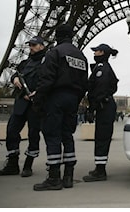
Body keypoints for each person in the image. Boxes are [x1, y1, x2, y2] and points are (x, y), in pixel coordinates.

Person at [32, 24, 88, 191]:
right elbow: (84, 83)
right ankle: (68, 175)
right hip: (72, 98)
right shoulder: (81, 56)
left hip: (55, 97)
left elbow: (46, 79)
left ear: (57, 36)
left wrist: (39, 101)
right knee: (67, 135)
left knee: (52, 134)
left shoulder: (54, 53)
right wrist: (76, 99)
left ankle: (54, 177)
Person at [0, 36, 46, 177]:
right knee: (11, 131)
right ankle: (12, 164)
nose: (31, 47)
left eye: (34, 45)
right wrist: (14, 78)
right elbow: (16, 75)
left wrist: (38, 93)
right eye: (30, 45)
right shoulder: (25, 62)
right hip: (21, 102)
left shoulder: (47, 62)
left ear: (42, 46)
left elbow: (49, 80)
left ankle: (28, 165)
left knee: (33, 135)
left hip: (36, 104)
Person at [83, 43, 119, 182]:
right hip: (105, 105)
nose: (94, 53)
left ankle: (100, 170)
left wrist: (92, 107)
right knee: (101, 136)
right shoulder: (103, 67)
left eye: (96, 51)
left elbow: (99, 89)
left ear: (102, 53)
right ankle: (99, 167)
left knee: (102, 137)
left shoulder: (102, 69)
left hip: (103, 106)